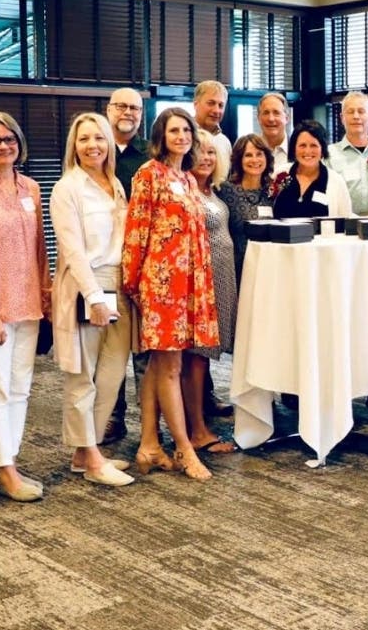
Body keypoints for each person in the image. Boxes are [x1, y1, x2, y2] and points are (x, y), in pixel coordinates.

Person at [122, 107, 218, 481]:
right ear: (160, 137)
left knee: (159, 366)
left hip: (189, 284)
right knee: (171, 367)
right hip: (160, 284)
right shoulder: (149, 175)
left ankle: (149, 444)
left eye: (186, 131)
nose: (181, 136)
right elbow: (137, 230)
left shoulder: (188, 179)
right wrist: (133, 284)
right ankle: (185, 448)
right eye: (174, 130)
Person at [50, 113, 134, 487]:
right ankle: (90, 454)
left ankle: (88, 451)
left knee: (113, 371)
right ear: (74, 145)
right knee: (81, 375)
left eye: (98, 138)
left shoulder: (113, 183)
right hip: (88, 286)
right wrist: (94, 296)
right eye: (84, 139)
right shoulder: (68, 188)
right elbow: (72, 251)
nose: (92, 146)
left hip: (119, 283)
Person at [0, 112, 50, 501]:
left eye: (8, 139)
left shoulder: (30, 187)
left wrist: (47, 296)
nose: (2, 146)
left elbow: (40, 250)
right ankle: (7, 471)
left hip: (29, 300)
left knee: (20, 388)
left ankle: (8, 457)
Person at [181, 129, 238, 454]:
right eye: (200, 151)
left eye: (211, 152)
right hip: (199, 283)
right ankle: (196, 430)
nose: (206, 157)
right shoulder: (187, 193)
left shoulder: (213, 191)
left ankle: (198, 422)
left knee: (205, 357)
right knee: (197, 358)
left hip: (222, 279)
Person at [104, 87, 150, 444]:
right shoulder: (93, 150)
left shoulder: (149, 155)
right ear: (109, 109)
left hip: (145, 264)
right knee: (109, 343)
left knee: (145, 349)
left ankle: (150, 424)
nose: (129, 112)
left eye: (135, 107)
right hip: (103, 265)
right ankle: (111, 417)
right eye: (122, 105)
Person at [217, 133, 275, 283]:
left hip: (268, 267)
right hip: (236, 269)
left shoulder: (274, 191)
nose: (255, 160)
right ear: (239, 160)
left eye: (259, 154)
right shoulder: (224, 190)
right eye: (248, 155)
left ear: (267, 158)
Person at [273, 119, 352, 219]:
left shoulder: (336, 181)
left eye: (313, 145)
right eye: (302, 145)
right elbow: (268, 208)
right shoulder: (281, 174)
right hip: (280, 235)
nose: (308, 151)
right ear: (294, 148)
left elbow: (346, 221)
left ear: (322, 149)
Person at [193, 80, 231, 175]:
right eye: (211, 103)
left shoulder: (224, 142)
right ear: (196, 104)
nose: (216, 110)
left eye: (221, 105)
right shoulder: (184, 138)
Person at [257, 92, 291, 176]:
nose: (271, 119)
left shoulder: (299, 151)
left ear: (287, 118)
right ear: (258, 118)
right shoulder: (248, 150)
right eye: (266, 113)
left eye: (276, 113)